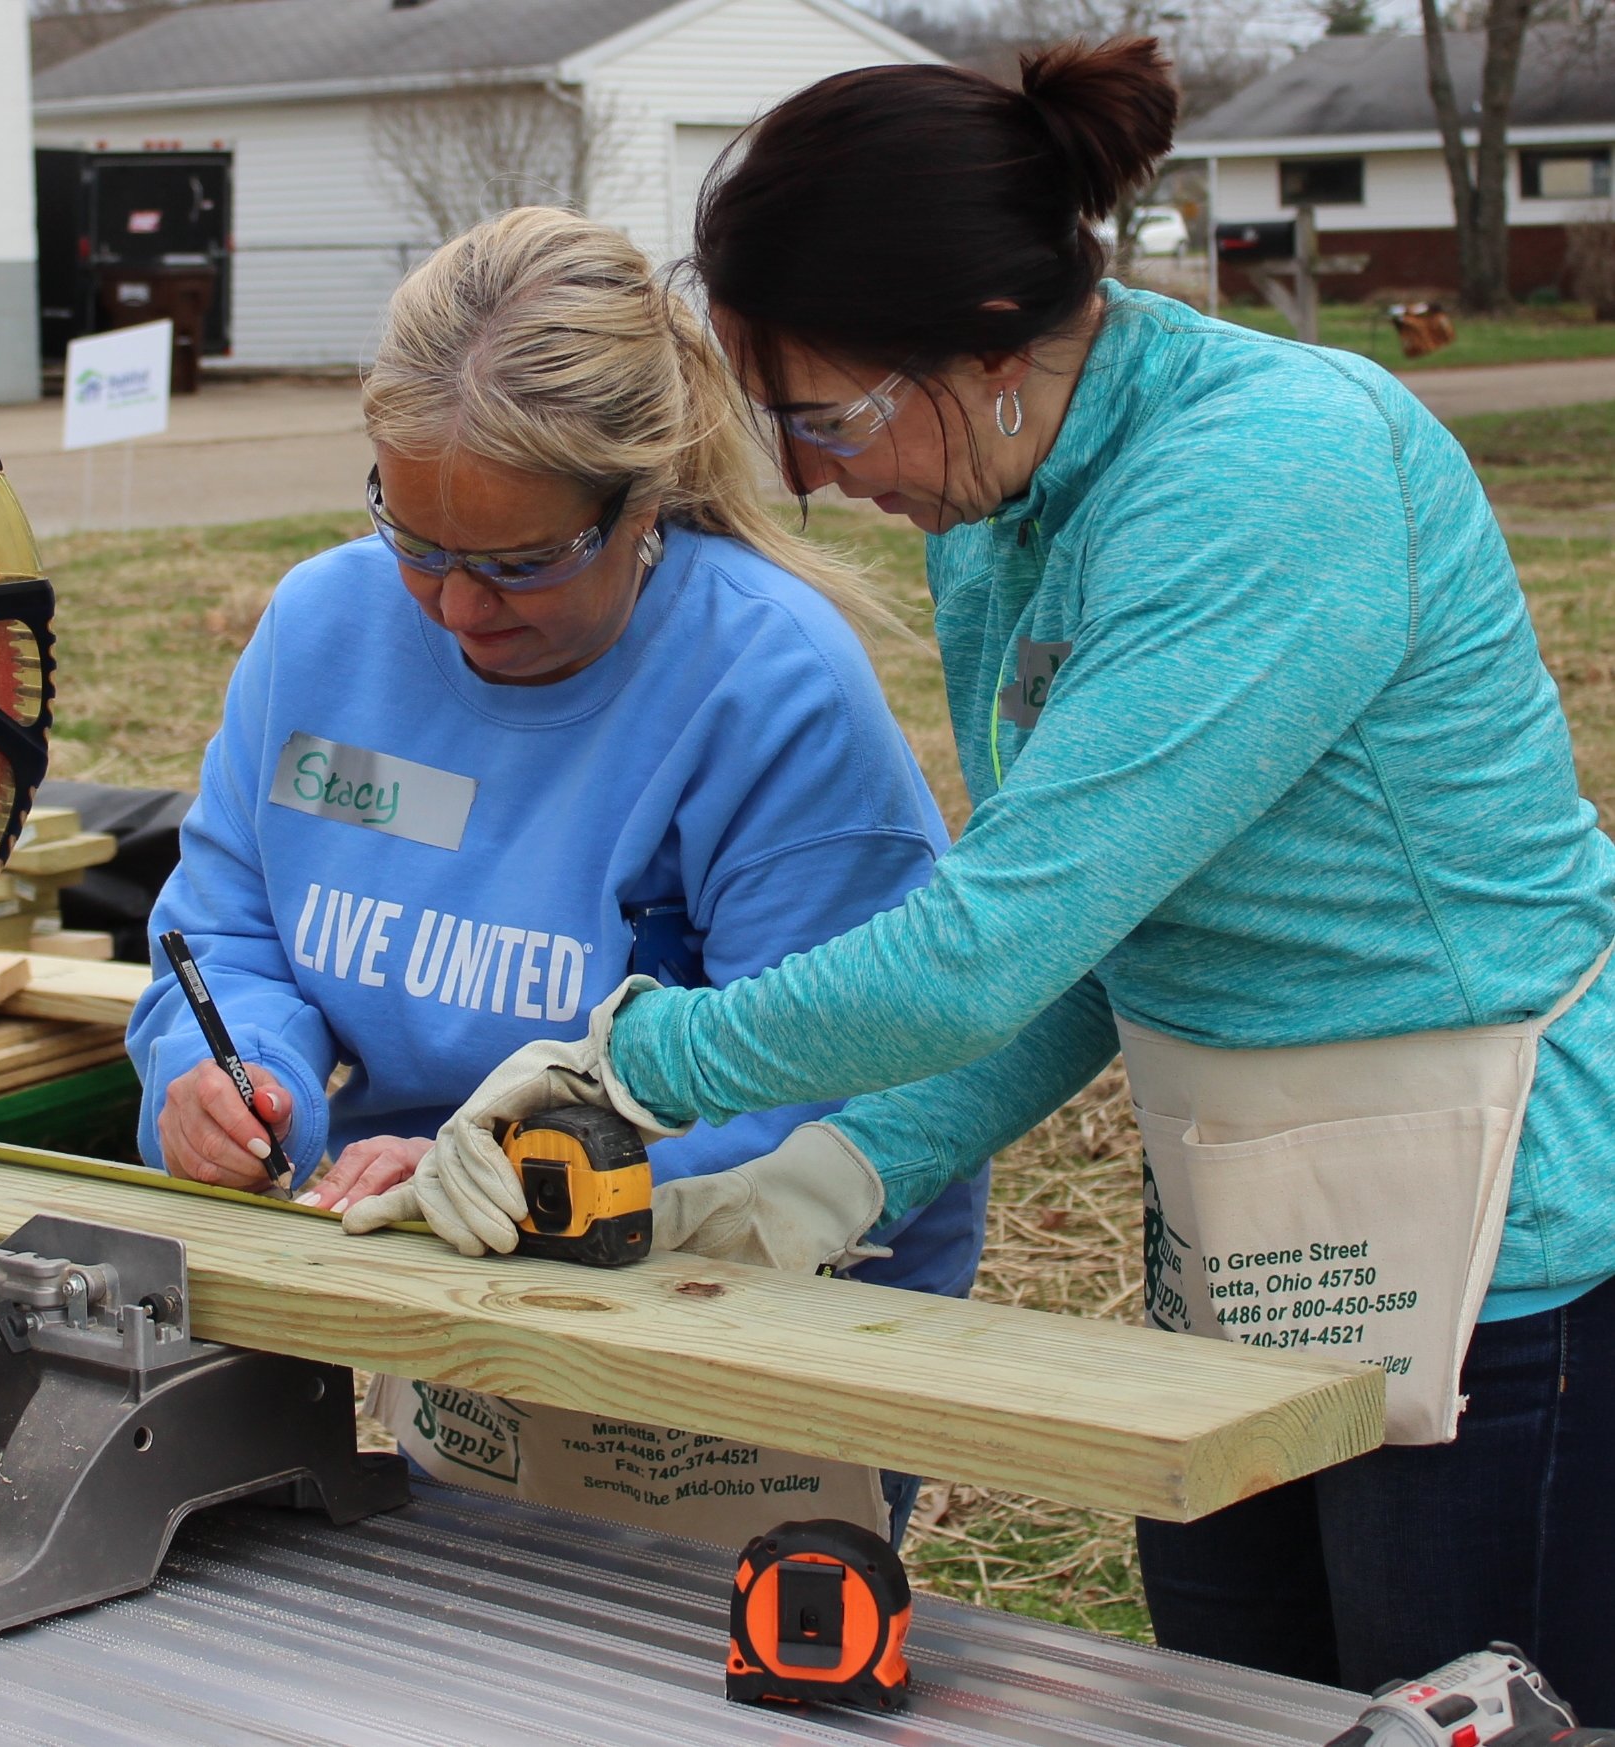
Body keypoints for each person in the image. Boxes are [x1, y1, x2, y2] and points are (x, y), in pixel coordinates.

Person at [346, 44, 1615, 1713]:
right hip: (1247, 1234)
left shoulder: (1274, 477)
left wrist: (624, 1068)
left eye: (825, 414)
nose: (802, 479)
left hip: (1493, 1257)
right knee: (1235, 1705)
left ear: (998, 348)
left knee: (1452, 1705)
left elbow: (977, 949)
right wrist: (838, 1178)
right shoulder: (999, 513)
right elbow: (1085, 950)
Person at [125, 205, 989, 1542]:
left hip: (745, 1303)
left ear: (641, 505)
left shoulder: (768, 689)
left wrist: (509, 1168)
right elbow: (225, 943)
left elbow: (836, 1079)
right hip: (460, 1298)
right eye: (416, 545)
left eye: (522, 565)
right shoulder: (320, 632)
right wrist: (234, 1083)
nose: (460, 610)